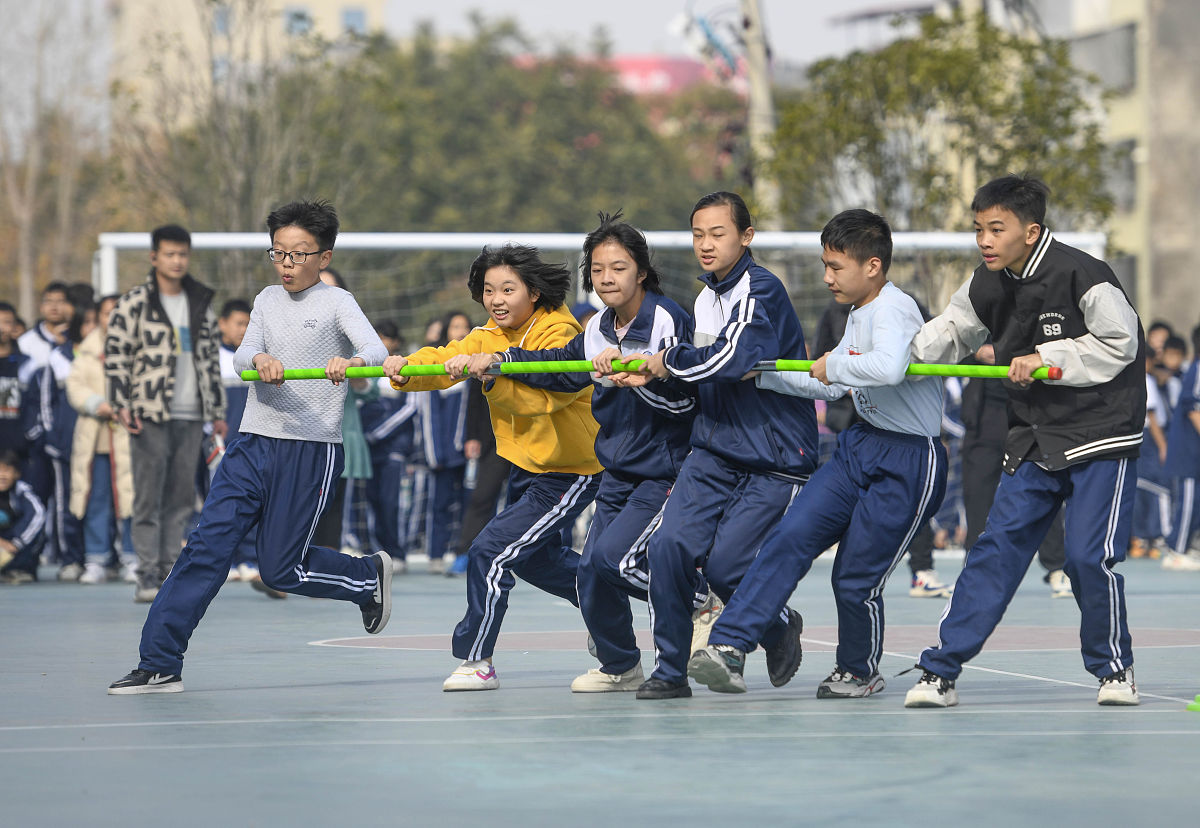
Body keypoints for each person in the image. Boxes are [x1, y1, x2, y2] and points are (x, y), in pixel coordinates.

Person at [107, 199, 392, 695]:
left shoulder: (337, 302)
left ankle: (366, 578)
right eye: (278, 252)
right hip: (252, 443)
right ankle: (159, 661)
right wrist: (258, 356)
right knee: (204, 549)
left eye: (298, 254)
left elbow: (374, 350)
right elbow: (241, 356)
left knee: (280, 569)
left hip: (309, 448)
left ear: (323, 257)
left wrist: (349, 363)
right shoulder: (264, 299)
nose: (286, 263)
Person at [903, 174, 1145, 708]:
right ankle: (939, 671)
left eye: (996, 229)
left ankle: (1115, 671)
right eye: (978, 229)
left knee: (1087, 557)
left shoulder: (1085, 273)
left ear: (1031, 231)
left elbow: (1122, 343)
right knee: (993, 552)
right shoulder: (985, 283)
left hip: (1101, 433)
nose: (984, 240)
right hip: (1034, 437)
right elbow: (946, 333)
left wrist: (1047, 360)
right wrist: (880, 358)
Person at [688, 209, 946, 698]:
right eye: (825, 266)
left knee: (855, 577)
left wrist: (838, 362)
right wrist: (760, 374)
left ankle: (858, 668)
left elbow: (889, 368)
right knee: (789, 536)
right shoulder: (857, 312)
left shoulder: (894, 308)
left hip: (909, 460)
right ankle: (729, 646)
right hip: (860, 445)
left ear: (872, 266)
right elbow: (828, 385)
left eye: (835, 267)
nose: (827, 278)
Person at [384, 243, 602, 692]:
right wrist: (406, 370)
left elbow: (549, 398)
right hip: (526, 465)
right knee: (536, 561)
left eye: (508, 289)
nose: (496, 299)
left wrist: (492, 376)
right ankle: (608, 608)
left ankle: (476, 659)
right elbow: (446, 359)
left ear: (535, 292)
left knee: (489, 551)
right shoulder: (488, 334)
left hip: (571, 468)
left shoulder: (558, 331)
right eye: (488, 290)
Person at [496, 212, 698, 692]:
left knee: (614, 559)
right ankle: (621, 665)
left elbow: (687, 399)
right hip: (617, 470)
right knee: (590, 571)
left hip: (664, 469)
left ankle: (704, 603)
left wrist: (636, 378)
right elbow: (558, 369)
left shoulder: (667, 318)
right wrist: (501, 361)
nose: (607, 277)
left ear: (642, 272)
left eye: (619, 267)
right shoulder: (597, 328)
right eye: (599, 269)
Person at [630, 191, 818, 699]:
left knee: (727, 566)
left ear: (746, 236)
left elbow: (732, 359)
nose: (706, 245)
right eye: (697, 235)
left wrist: (666, 360)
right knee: (668, 546)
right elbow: (700, 372)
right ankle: (670, 670)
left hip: (774, 454)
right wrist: (642, 374)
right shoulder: (704, 296)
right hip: (714, 447)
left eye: (718, 233)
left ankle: (777, 627)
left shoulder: (763, 290)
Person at [106, 224, 227, 602]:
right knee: (147, 496)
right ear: (154, 257)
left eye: (183, 254)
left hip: (192, 413)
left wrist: (217, 407)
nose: (177, 261)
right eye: (170, 254)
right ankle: (145, 575)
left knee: (180, 497)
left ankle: (168, 573)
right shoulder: (135, 302)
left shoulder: (200, 301)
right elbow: (116, 357)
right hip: (150, 411)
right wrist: (121, 404)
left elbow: (210, 358)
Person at [66, 294, 136, 584]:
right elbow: (75, 385)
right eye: (108, 314)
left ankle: (133, 557)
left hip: (130, 437)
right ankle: (96, 559)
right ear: (99, 317)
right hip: (95, 439)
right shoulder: (88, 348)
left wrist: (128, 406)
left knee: (132, 498)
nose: (114, 319)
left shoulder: (140, 345)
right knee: (96, 500)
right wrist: (98, 404)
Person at [360, 320, 421, 572]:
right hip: (367, 448)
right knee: (371, 500)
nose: (381, 342)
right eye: (376, 337)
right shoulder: (364, 368)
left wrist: (377, 433)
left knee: (391, 501)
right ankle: (379, 554)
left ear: (395, 341)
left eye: (385, 337)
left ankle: (398, 553)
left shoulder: (404, 366)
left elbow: (410, 407)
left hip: (393, 448)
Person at [418, 310, 474, 574]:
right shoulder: (435, 371)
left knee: (469, 504)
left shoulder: (475, 368)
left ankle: (463, 552)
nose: (460, 331)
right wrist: (433, 453)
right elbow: (428, 417)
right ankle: (435, 554)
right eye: (455, 327)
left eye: (465, 326)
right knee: (438, 504)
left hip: (467, 451)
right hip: (440, 454)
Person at [1161, 348, 1200, 570]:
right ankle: (1176, 550)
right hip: (1189, 450)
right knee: (1188, 501)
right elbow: (1193, 407)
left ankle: (1189, 547)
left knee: (1196, 502)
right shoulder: (1198, 368)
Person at [0, 449, 45, 584]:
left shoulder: (23, 492)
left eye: (7, 470)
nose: (2, 475)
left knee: (39, 533)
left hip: (15, 545)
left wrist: (17, 543)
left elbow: (38, 514)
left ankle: (21, 569)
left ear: (17, 474)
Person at [0, 301, 33, 460]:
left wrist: (27, 437)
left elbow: (34, 406)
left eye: (6, 322)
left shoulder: (26, 364)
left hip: (19, 452)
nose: (0, 328)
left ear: (14, 327)